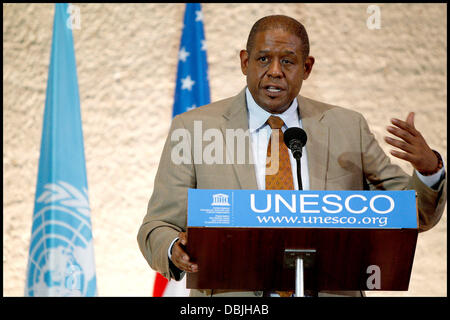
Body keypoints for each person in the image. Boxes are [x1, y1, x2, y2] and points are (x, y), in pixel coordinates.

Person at [137, 15, 447, 297]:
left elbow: (412, 216)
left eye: (288, 61)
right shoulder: (194, 129)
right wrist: (172, 248)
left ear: (307, 67)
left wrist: (428, 170)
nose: (275, 71)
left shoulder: (347, 127)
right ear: (245, 62)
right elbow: (156, 226)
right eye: (263, 59)